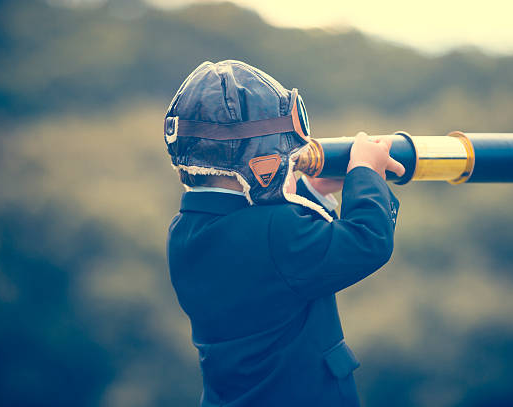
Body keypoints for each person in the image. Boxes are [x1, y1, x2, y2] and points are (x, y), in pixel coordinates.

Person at [164, 60, 404, 407]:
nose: (290, 163)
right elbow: (368, 241)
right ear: (259, 159)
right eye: (287, 157)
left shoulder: (184, 232)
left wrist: (311, 191)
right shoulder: (278, 233)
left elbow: (266, 257)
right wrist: (366, 172)